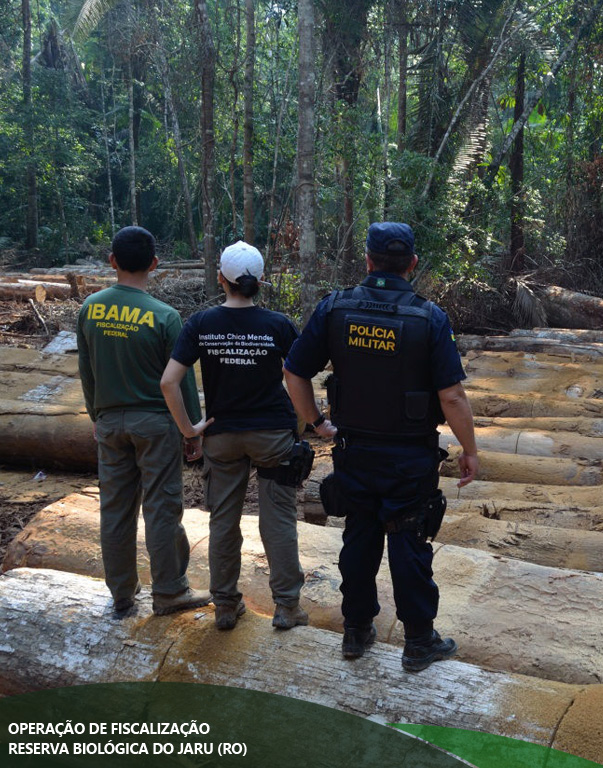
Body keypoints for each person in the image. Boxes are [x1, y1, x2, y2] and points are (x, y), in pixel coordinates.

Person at [283, 222, 478, 672]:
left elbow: (294, 373)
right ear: (411, 264)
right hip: (410, 456)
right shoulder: (429, 318)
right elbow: (451, 396)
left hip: (355, 450)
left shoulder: (335, 309)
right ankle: (418, 642)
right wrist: (470, 449)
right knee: (408, 542)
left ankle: (356, 631)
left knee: (360, 535)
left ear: (367, 261)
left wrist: (315, 422)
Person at [161, 241, 308, 632]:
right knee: (277, 520)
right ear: (261, 280)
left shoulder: (201, 324)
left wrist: (188, 429)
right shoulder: (277, 324)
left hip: (222, 436)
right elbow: (299, 377)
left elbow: (169, 382)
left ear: (221, 279)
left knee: (223, 522)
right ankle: (287, 607)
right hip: (273, 436)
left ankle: (225, 604)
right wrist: (309, 420)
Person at [77, 226, 211, 617]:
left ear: (112, 261)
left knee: (115, 510)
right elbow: (181, 381)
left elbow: (87, 373)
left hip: (110, 423)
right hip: (155, 425)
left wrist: (96, 417)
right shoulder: (165, 317)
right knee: (162, 508)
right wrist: (192, 430)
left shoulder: (91, 308)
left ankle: (122, 594)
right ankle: (169, 591)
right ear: (154, 264)